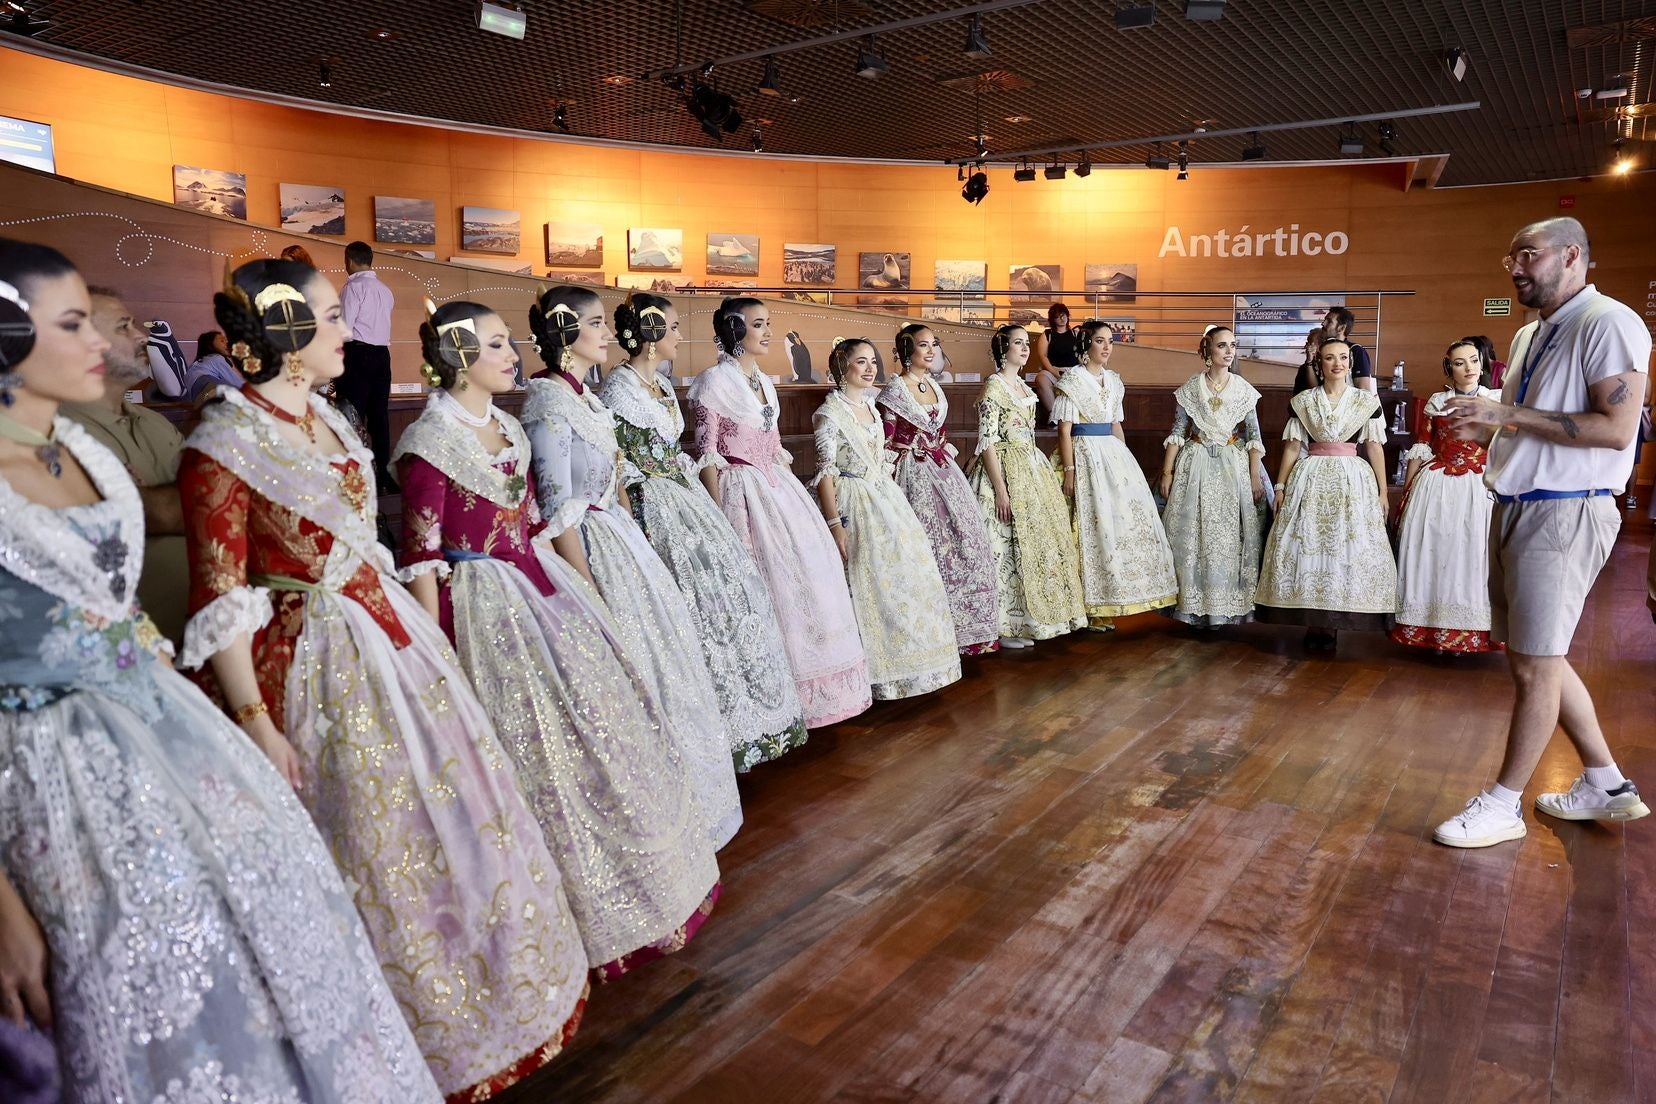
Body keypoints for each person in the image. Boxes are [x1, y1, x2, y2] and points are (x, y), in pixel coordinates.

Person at [0, 238, 441, 1104]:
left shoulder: (84, 456)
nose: (103, 339)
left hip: (158, 723)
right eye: (73, 323)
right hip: (42, 768)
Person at [179, 259, 589, 1098]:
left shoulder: (333, 419)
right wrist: (256, 720)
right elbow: (218, 594)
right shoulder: (221, 441)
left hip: (386, 634)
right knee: (367, 832)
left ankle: (479, 997)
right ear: (287, 335)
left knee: (452, 817)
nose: (349, 333)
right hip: (305, 659)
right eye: (332, 318)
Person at [392, 299, 724, 979]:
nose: (511, 354)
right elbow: (422, 557)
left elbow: (535, 517)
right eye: (492, 345)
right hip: (480, 605)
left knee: (595, 731)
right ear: (458, 356)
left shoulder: (510, 425)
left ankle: (631, 885)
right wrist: (433, 658)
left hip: (538, 587)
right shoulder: (429, 444)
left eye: (507, 341)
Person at [1434, 216, 1650, 848]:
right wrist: (1493, 429)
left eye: (1527, 255)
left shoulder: (1607, 322)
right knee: (1539, 655)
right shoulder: (1532, 333)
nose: (1515, 268)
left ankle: (1503, 805)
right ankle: (1605, 782)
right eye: (1510, 258)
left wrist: (1506, 413)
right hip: (1518, 503)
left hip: (1565, 508)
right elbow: (1531, 418)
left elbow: (1615, 428)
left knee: (1534, 664)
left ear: (1572, 255)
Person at [521, 286, 743, 847]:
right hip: (587, 546)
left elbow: (614, 477)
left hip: (619, 540)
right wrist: (588, 589)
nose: (606, 333)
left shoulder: (587, 397)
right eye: (594, 323)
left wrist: (634, 529)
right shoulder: (546, 401)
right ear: (567, 333)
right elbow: (555, 509)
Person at [602, 293, 809, 769]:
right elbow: (620, 462)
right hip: (655, 504)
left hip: (682, 494)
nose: (680, 336)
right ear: (652, 335)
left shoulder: (659, 385)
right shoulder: (620, 390)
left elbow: (675, 447)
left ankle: (755, 718)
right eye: (673, 328)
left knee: (733, 598)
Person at [689, 297, 871, 726]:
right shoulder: (712, 382)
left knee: (809, 573)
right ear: (735, 330)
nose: (767, 332)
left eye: (768, 323)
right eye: (757, 324)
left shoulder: (766, 382)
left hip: (777, 487)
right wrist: (717, 518)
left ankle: (817, 692)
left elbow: (771, 445)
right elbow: (707, 453)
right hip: (740, 489)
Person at [812, 339, 961, 699]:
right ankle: (873, 673)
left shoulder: (872, 409)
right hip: (851, 500)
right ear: (841, 368)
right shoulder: (829, 414)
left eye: (872, 361)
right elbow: (826, 473)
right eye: (859, 362)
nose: (869, 368)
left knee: (905, 575)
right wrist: (835, 525)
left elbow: (881, 461)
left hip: (883, 497)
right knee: (865, 581)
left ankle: (913, 667)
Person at [61, 286, 190, 648]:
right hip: (136, 650)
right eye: (123, 327)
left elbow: (228, 498)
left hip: (213, 633)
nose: (142, 337)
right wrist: (198, 494)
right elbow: (158, 513)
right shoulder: (60, 432)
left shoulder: (155, 423)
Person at [1255, 337, 1396, 650]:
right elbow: (1292, 447)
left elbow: (1373, 447)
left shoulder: (1365, 401)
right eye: (1330, 358)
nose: (1338, 364)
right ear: (1320, 364)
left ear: (1350, 362)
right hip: (1311, 476)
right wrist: (1280, 485)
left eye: (1343, 358)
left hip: (1352, 479)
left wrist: (1382, 492)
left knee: (1345, 544)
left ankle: (1337, 619)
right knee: (1311, 544)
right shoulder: (1304, 401)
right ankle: (1313, 619)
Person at [878, 324, 999, 656]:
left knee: (967, 538)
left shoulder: (932, 384)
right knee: (926, 545)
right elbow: (885, 440)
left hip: (944, 470)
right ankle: (933, 632)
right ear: (907, 351)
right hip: (910, 472)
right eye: (923, 345)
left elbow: (938, 432)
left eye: (934, 344)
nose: (930, 351)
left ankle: (969, 629)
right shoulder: (894, 391)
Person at [968, 324, 1086, 647]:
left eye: (1025, 344)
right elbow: (987, 442)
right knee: (1003, 543)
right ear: (1003, 350)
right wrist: (1001, 489)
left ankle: (1025, 621)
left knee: (1030, 545)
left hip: (1031, 468)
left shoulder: (1021, 385)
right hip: (1004, 470)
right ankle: (1003, 625)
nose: (1024, 349)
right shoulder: (994, 387)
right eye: (1017, 344)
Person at [1055, 319, 1178, 627]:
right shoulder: (1073, 381)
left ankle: (1115, 598)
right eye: (1100, 341)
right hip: (1083, 453)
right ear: (1086, 345)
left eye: (1110, 341)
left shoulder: (1113, 381)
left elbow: (1116, 424)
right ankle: (1085, 605)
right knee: (1087, 525)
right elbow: (1064, 430)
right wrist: (1069, 471)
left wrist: (1127, 462)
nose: (1107, 346)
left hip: (1111, 453)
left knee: (1119, 523)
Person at [1390, 340, 1503, 653]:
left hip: (1479, 487)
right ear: (1449, 367)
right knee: (1434, 552)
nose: (1468, 368)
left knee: (1474, 555)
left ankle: (1474, 632)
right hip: (1437, 484)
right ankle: (1429, 627)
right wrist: (1406, 492)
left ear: (1482, 365)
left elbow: (1503, 449)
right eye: (1459, 362)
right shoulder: (1438, 401)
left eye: (1473, 361)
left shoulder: (1494, 400)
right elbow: (1423, 445)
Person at [1158, 325, 1268, 628]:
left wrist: (1255, 476)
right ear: (1208, 351)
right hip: (1195, 464)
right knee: (1194, 534)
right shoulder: (1192, 387)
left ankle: (1225, 606)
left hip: (1232, 466)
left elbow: (1254, 436)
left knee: (1227, 536)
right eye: (1222, 345)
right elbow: (1178, 431)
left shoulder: (1244, 389)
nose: (1229, 351)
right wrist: (1167, 472)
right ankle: (1194, 606)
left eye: (1232, 345)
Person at [337, 240, 395, 485]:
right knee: (379, 417)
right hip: (382, 356)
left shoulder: (353, 288)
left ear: (349, 260)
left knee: (352, 415)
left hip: (357, 355)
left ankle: (355, 473)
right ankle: (384, 473)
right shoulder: (385, 289)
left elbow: (344, 328)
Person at [1032, 303, 1076, 420]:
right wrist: (1053, 371)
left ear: (1067, 315)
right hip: (1053, 369)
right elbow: (1043, 356)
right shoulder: (1047, 334)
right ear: (1052, 319)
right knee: (1040, 378)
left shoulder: (1075, 333)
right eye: (1057, 317)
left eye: (1063, 315)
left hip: (1073, 372)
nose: (1061, 319)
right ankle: (1055, 417)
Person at [1322, 307, 1376, 393]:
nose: (1323, 324)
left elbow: (1364, 391)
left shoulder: (1356, 351)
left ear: (1341, 328)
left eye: (1329, 321)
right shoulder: (1322, 351)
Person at [182, 328, 241, 400]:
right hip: (206, 384)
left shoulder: (200, 363)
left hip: (198, 396)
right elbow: (237, 383)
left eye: (227, 341)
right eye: (222, 340)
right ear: (209, 344)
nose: (227, 343)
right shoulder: (217, 358)